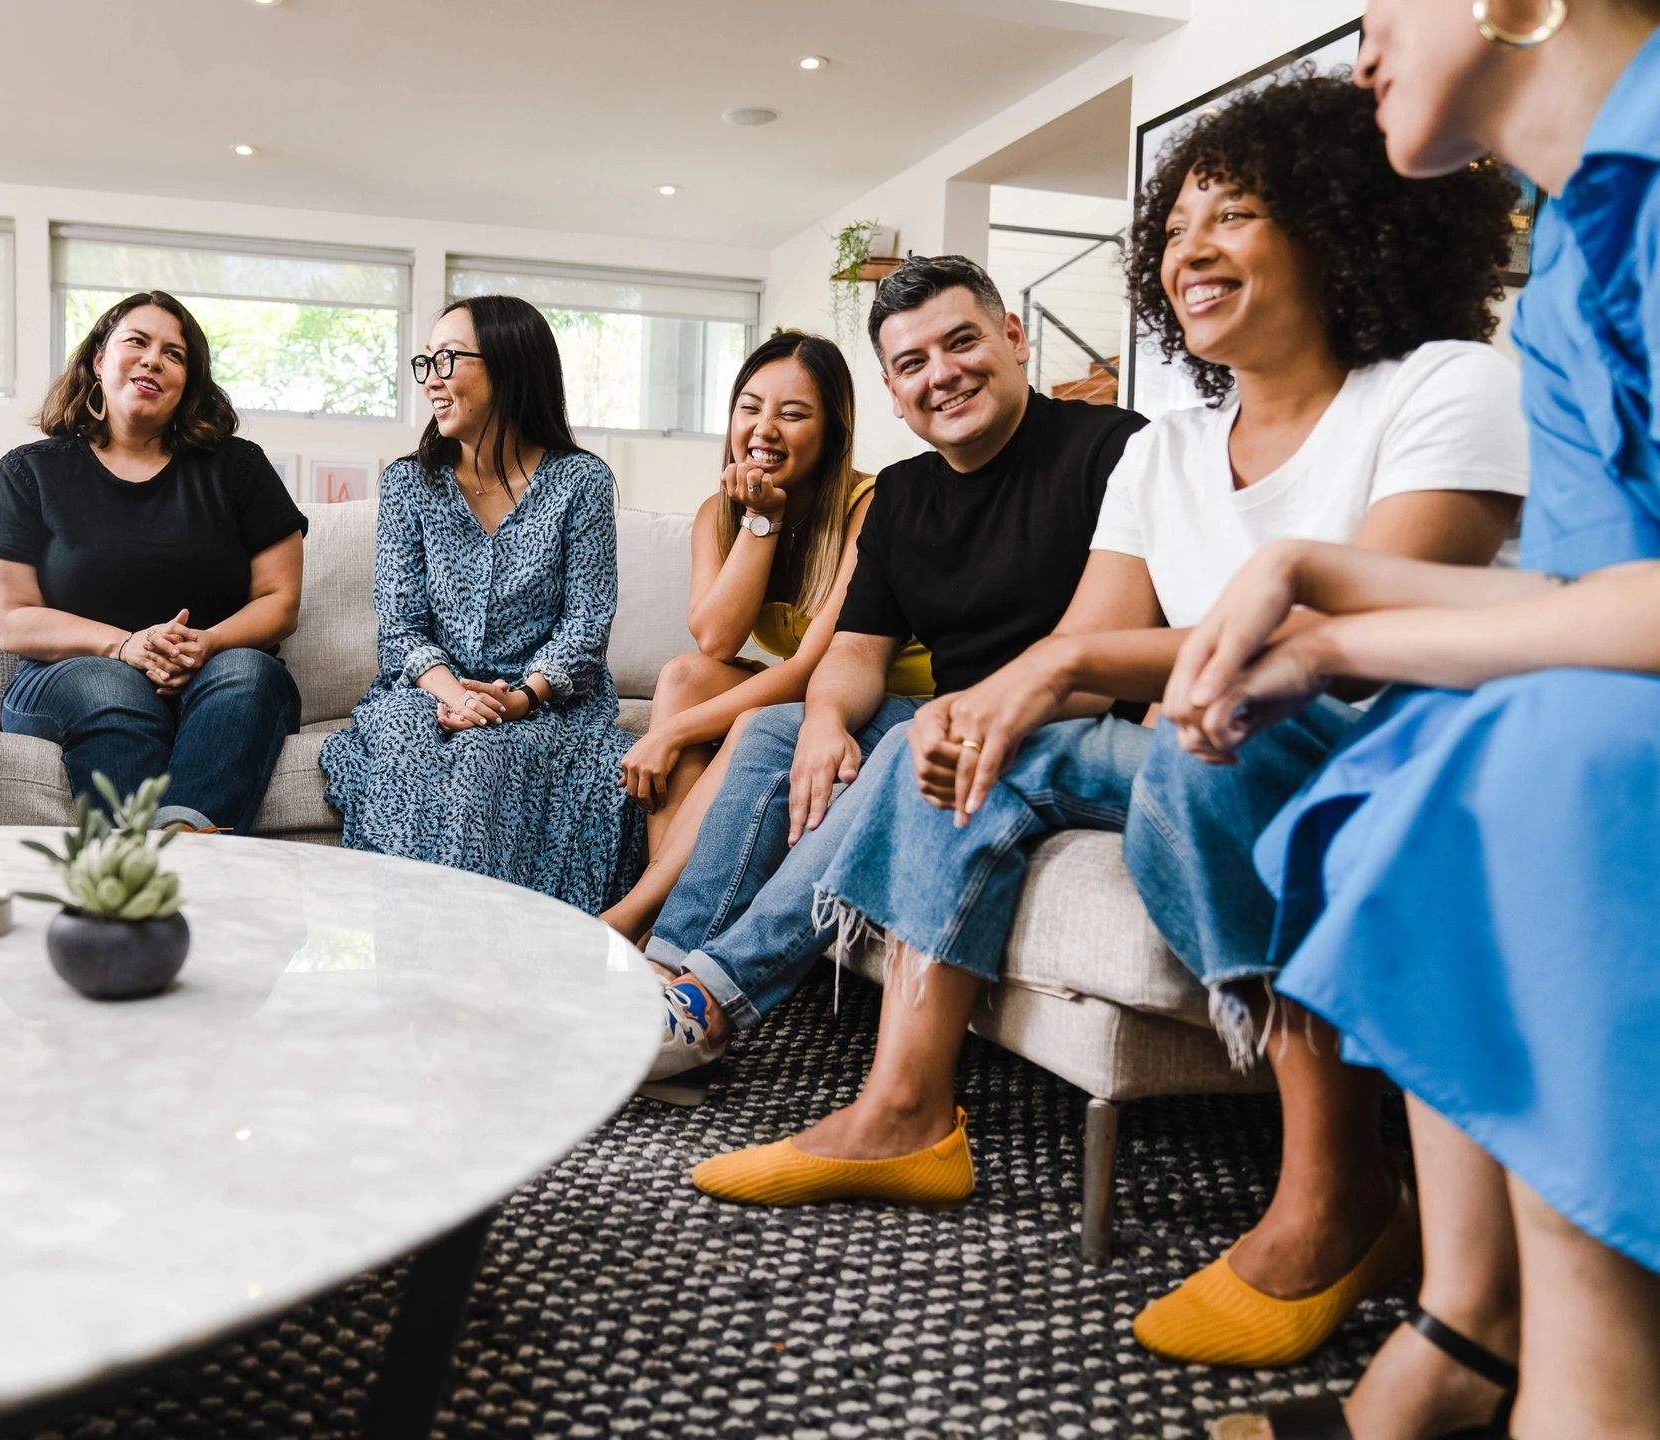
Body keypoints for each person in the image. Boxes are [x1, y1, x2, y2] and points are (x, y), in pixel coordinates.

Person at [692, 77, 1526, 1349]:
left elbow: (1350, 639)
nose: (1190, 251)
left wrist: (1054, 675)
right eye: (1175, 230)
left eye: (1234, 215)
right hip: (1202, 728)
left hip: (1387, 746)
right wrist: (1001, 696)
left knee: (1201, 741)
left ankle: (1337, 1190)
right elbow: (1090, 647)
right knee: (954, 726)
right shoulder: (1168, 448)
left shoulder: (1441, 387)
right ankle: (905, 1114)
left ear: (1341, 225)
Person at [1173, 4, 1660, 1436]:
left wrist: (1339, 633)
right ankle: (1487, 1336)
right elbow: (1585, 589)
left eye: (1382, 6)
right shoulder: (1568, 265)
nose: (1360, 50)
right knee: (1428, 748)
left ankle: (1572, 1384)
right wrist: (1304, 586)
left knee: (1534, 755)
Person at [645, 256, 1147, 1080]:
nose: (942, 376)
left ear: (1014, 338)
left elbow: (1098, 661)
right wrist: (824, 719)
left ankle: (713, 999)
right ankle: (668, 964)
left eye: (963, 343)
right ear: (891, 388)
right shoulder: (906, 495)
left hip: (1076, 729)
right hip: (954, 719)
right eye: (913, 363)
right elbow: (852, 652)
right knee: (774, 726)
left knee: (915, 734)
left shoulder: (1111, 448)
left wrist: (933, 720)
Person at [604, 331, 930, 941]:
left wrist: (669, 732)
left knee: (718, 719)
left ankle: (636, 915)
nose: (764, 429)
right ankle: (661, 901)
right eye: (749, 407)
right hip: (812, 686)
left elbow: (814, 667)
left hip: (873, 693)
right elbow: (716, 642)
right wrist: (764, 520)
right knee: (683, 676)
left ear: (833, 430)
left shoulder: (870, 504)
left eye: (793, 413)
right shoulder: (719, 512)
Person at [318, 295, 639, 910]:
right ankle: (417, 949)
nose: (432, 379)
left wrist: (517, 698)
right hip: (429, 694)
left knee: (485, 764)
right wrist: (457, 695)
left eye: (449, 359)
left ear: (510, 366)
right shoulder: (409, 482)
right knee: (410, 758)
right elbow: (401, 626)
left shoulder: (582, 482)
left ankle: (496, 954)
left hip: (547, 704)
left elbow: (585, 624)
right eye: (426, 362)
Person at [0, 291, 306, 833]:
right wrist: (124, 646)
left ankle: (178, 842)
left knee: (247, 670)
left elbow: (279, 601)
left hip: (215, 672)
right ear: (99, 360)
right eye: (137, 342)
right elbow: (13, 620)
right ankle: (140, 863)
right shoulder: (30, 472)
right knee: (112, 684)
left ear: (187, 383)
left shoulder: (238, 467)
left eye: (175, 354)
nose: (154, 359)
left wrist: (206, 644)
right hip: (68, 677)